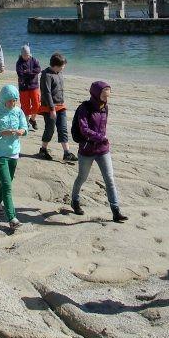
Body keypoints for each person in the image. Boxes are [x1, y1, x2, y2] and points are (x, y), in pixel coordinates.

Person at [69, 81, 128, 222]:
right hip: (86, 150)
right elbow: (84, 130)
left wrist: (102, 140)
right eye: (104, 95)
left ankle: (116, 211)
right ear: (96, 94)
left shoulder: (105, 107)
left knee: (110, 180)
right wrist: (101, 137)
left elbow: (103, 128)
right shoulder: (84, 108)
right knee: (82, 178)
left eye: (108, 95)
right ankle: (75, 201)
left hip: (102, 149)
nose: (106, 98)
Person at [0, 84, 29, 234]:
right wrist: (2, 133)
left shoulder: (18, 112)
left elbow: (25, 127)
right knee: (8, 185)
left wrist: (22, 131)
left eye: (15, 100)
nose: (13, 103)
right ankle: (12, 219)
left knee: (7, 181)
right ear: (3, 100)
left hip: (14, 152)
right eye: (10, 100)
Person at [38, 53, 76, 162]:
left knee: (63, 129)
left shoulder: (59, 73)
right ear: (55, 65)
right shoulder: (46, 75)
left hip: (61, 105)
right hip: (49, 107)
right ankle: (43, 149)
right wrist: (52, 109)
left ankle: (67, 153)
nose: (63, 67)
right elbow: (47, 93)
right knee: (50, 129)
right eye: (62, 65)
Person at [16, 45, 41, 130]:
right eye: (25, 55)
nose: (27, 57)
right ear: (22, 55)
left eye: (28, 55)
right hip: (24, 87)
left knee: (37, 105)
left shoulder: (34, 60)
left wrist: (28, 72)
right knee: (25, 106)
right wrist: (31, 73)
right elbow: (21, 74)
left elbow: (38, 69)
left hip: (34, 86)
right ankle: (25, 123)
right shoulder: (19, 62)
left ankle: (32, 120)